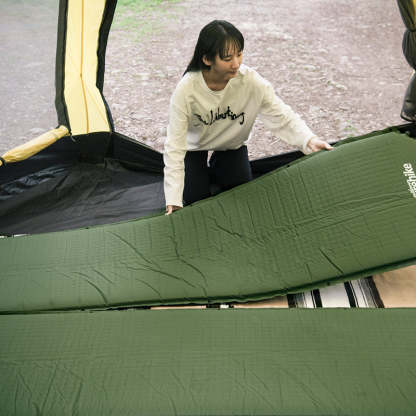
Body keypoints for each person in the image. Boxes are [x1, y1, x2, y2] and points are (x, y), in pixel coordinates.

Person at [164, 20, 333, 215]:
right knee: (195, 202)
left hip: (231, 146)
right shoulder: (187, 89)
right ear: (207, 59)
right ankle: (202, 172)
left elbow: (281, 114)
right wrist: (173, 197)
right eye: (227, 58)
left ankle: (219, 164)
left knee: (242, 193)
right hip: (193, 148)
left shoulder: (250, 81)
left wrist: (309, 140)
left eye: (239, 54)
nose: (236, 63)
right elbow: (174, 145)